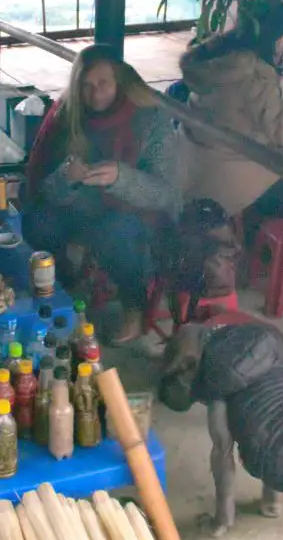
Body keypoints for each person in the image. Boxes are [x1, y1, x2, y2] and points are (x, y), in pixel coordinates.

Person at [23, 44, 182, 342]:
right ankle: (62, 283)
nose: (95, 94)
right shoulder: (68, 116)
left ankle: (134, 309)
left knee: (115, 231)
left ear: (119, 80)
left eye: (103, 83)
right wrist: (67, 178)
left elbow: (166, 194)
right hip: (82, 208)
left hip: (135, 216)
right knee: (36, 220)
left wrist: (120, 177)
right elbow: (43, 188)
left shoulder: (150, 118)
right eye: (86, 86)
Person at [178, 2, 283, 218]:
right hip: (227, 176)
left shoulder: (216, 58)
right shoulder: (254, 75)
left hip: (190, 164)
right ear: (275, 37)